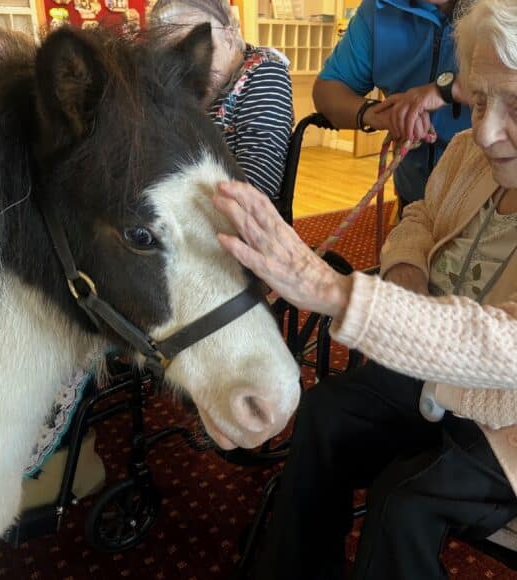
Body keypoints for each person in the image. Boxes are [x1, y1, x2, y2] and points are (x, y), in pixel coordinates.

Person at [212, 2, 516, 577]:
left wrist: (336, 293)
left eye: (516, 105)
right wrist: (405, 276)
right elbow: (420, 219)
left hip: (508, 423)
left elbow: (506, 346)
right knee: (325, 412)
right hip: (436, 380)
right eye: (477, 102)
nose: (486, 130)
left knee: (405, 500)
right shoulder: (464, 153)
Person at [313, 0, 474, 206]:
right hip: (415, 196)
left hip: (491, 200)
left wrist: (447, 88)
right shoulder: (377, 10)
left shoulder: (505, 7)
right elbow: (328, 89)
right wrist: (377, 113)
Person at [150, 0, 294, 203]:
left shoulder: (265, 74)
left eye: (201, 48)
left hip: (235, 220)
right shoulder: (177, 89)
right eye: (171, 57)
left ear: (229, 36)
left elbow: (256, 187)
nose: (187, 70)